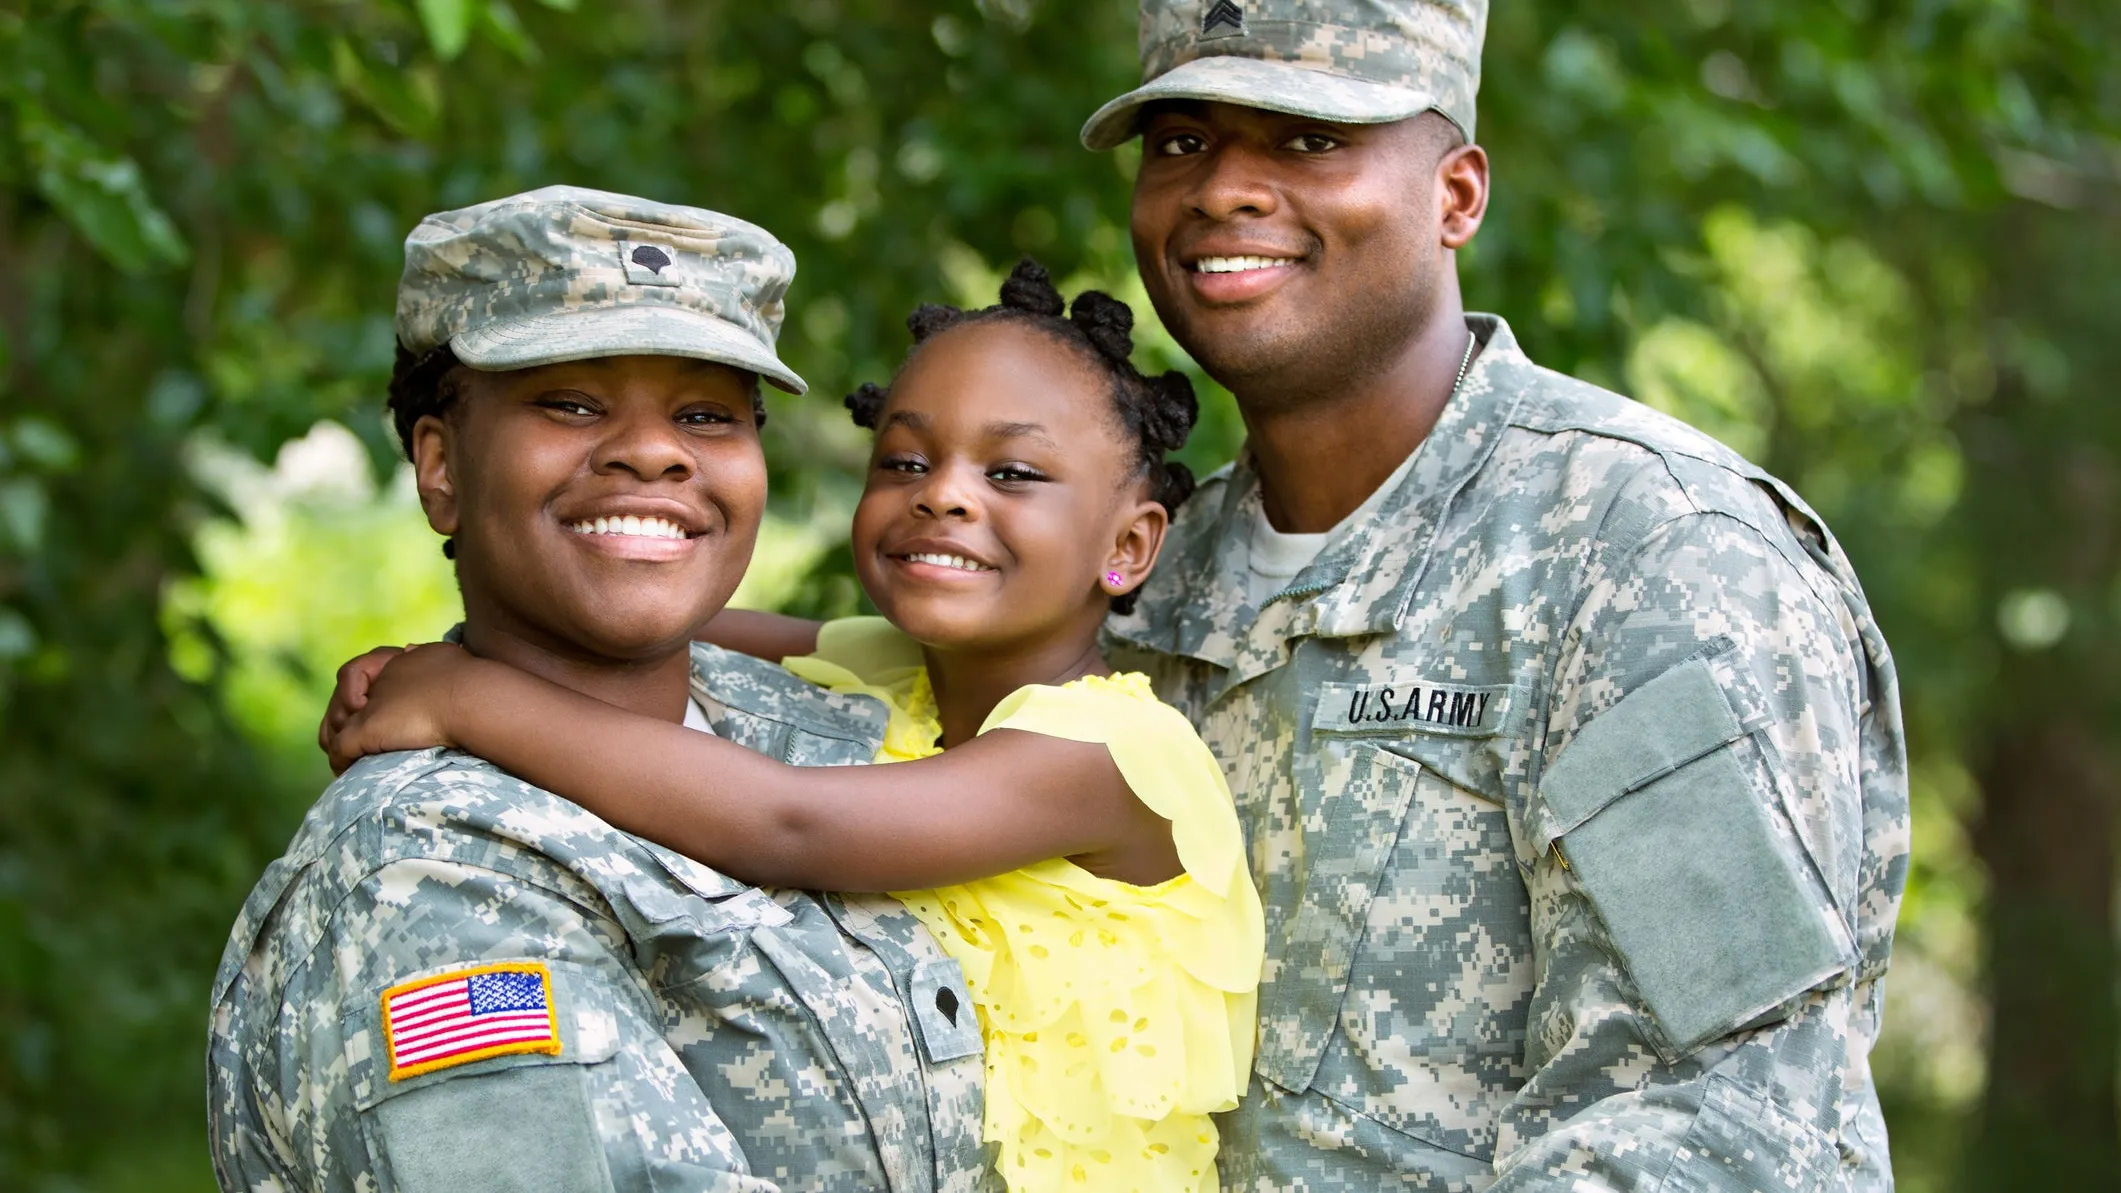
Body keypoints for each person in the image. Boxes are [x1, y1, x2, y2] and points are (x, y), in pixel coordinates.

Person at [1076, 0, 1910, 1189]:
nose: (1222, 190)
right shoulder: (1151, 575)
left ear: (1457, 194)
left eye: (1310, 140)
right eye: (1181, 142)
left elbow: (1711, 1127)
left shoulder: (1645, 555)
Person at [322, 259, 1266, 1193]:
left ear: (1128, 545)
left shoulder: (1110, 755)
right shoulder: (885, 667)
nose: (943, 493)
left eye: (1012, 471)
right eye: (903, 461)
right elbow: (650, 609)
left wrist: (463, 696)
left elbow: (789, 822)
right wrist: (429, 652)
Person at [207, 186, 1002, 1193]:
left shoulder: (830, 720)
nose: (654, 450)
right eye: (571, 403)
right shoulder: (429, 879)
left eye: (707, 414)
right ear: (442, 466)